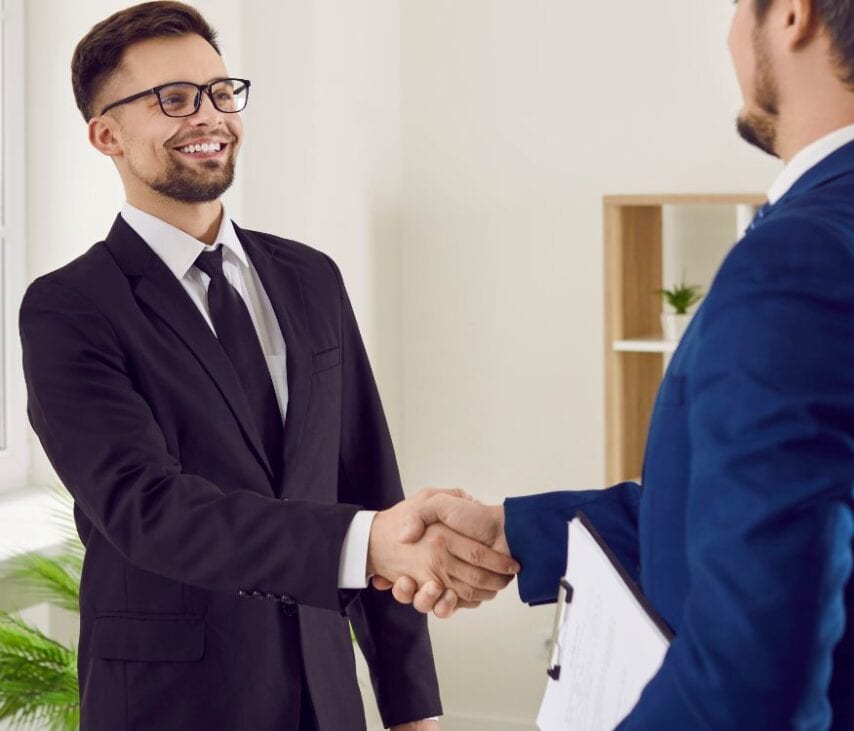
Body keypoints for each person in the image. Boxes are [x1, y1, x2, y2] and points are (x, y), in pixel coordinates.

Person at [382, 0, 854, 727]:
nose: (726, 37)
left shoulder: (807, 265)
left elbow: (745, 688)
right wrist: (511, 531)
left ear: (792, 15)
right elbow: (769, 523)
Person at [19, 3, 517, 730]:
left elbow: (368, 481)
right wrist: (366, 540)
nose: (209, 116)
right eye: (175, 99)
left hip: (325, 693)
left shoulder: (311, 277)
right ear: (106, 134)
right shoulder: (69, 308)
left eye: (221, 92)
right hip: (169, 705)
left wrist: (414, 708)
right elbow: (147, 509)